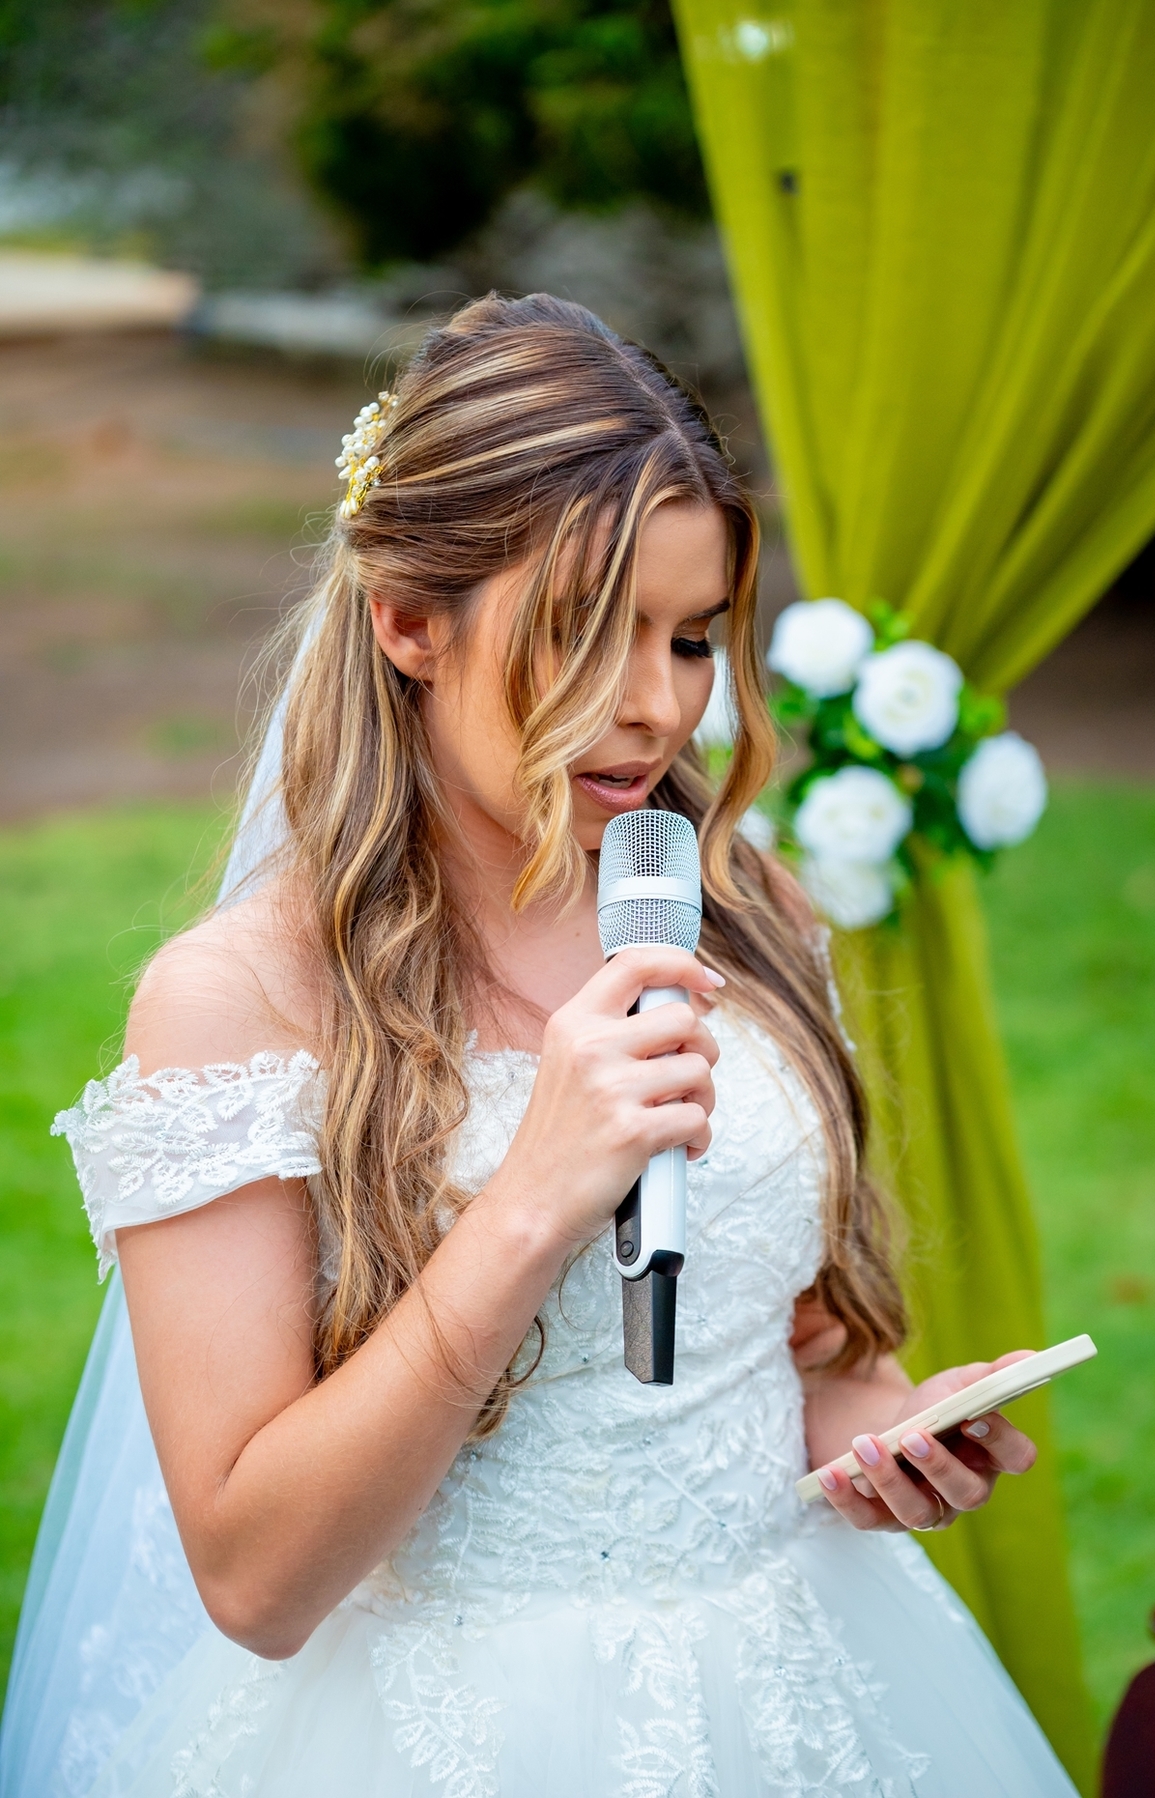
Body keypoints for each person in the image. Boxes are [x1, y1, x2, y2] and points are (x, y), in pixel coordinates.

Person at [2, 294, 1078, 1797]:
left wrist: (885, 1427)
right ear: (407, 622)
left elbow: (797, 1353)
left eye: (694, 637)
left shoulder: (738, 903)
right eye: (585, 631)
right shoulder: (240, 1000)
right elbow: (253, 1577)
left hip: (794, 1681)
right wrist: (533, 1197)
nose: (655, 708)